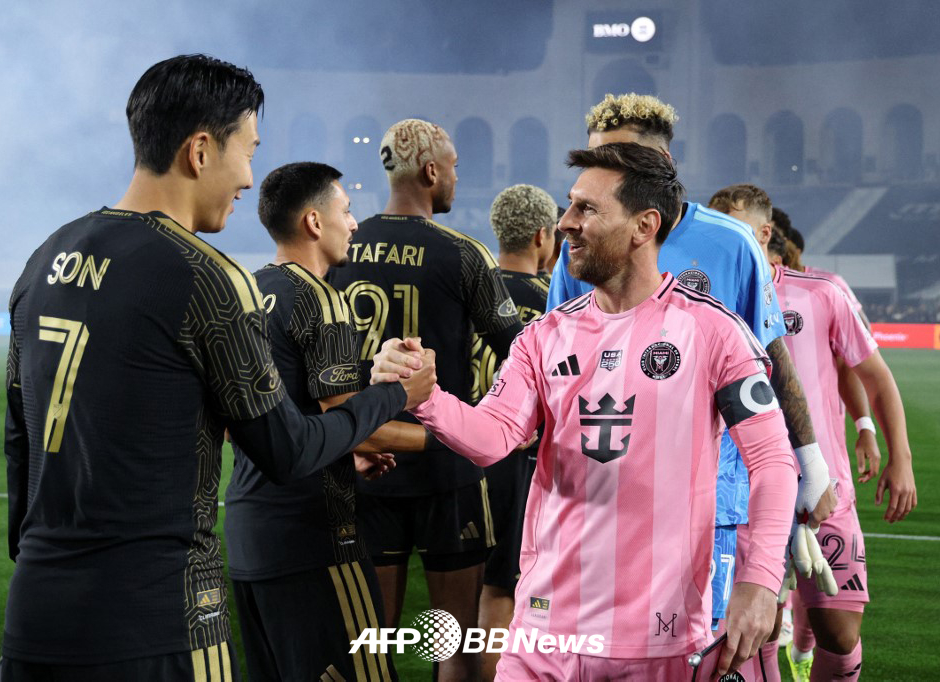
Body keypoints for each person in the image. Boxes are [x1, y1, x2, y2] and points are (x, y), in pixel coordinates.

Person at [0, 56, 432, 682]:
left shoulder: (46, 256)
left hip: (35, 616)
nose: (250, 178)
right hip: (160, 621)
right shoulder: (205, 275)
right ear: (200, 150)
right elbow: (287, 450)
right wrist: (393, 396)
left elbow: (21, 439)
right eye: (247, 151)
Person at [373, 142, 797, 679]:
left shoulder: (714, 333)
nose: (565, 221)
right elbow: (493, 436)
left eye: (587, 208)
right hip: (543, 633)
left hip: (656, 641)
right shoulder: (544, 336)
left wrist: (760, 579)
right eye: (570, 204)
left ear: (644, 226)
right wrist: (426, 396)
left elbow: (773, 461)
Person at [547, 94, 836, 639]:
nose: (600, 176)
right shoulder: (578, 248)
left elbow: (771, 360)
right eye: (594, 161)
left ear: (662, 165)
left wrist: (809, 463)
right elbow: (557, 361)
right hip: (604, 495)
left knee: (696, 652)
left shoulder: (730, 244)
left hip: (705, 500)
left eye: (617, 160)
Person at [225, 162, 435, 681]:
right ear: (314, 222)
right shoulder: (321, 299)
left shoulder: (247, 292)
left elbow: (243, 422)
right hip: (316, 537)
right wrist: (452, 441)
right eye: (346, 210)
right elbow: (353, 419)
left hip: (250, 536)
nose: (355, 223)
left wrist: (345, 451)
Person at [329, 118, 522, 679]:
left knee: (372, 644)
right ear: (432, 171)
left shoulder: (343, 246)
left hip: (366, 461)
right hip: (447, 467)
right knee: (454, 645)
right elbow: (519, 351)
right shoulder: (462, 253)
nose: (457, 176)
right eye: (454, 166)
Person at [752, 208, 917, 681]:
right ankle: (795, 648)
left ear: (765, 233)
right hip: (747, 493)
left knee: (841, 634)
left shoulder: (823, 290)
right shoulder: (707, 296)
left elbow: (857, 368)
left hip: (824, 486)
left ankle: (803, 650)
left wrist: (874, 434)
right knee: (757, 628)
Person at [471, 184, 556, 679]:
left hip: (461, 451)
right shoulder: (553, 302)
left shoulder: (469, 287)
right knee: (503, 592)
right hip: (517, 464)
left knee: (458, 595)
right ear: (543, 236)